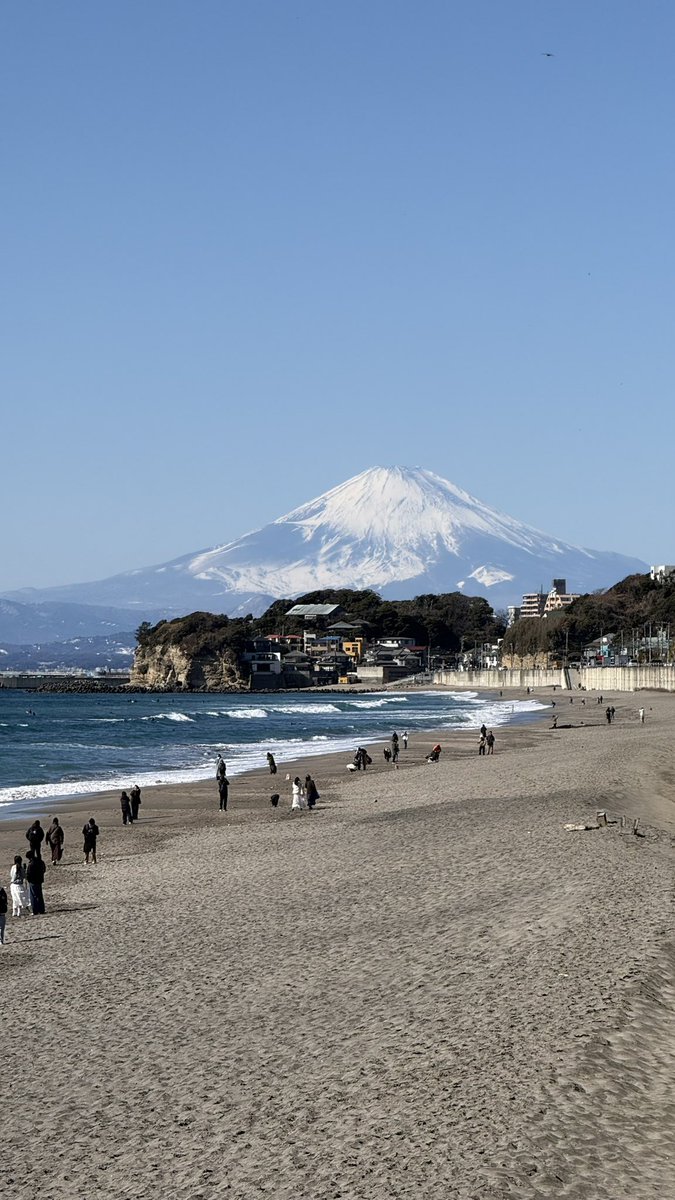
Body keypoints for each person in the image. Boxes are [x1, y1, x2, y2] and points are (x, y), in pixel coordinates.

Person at [25, 851, 46, 916]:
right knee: (39, 895)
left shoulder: (31, 864)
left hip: (33, 881)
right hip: (39, 880)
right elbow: (44, 869)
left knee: (33, 896)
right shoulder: (40, 861)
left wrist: (28, 879)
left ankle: (35, 910)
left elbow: (28, 874)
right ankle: (41, 909)